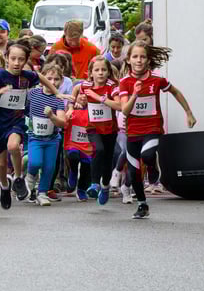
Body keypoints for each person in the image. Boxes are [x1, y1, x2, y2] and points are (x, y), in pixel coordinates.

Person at [0, 40, 65, 209]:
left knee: (13, 146)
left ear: (26, 60)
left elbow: (40, 77)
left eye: (21, 59)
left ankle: (18, 178)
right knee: (1, 163)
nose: (17, 63)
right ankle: (4, 187)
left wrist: (57, 93)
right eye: (13, 59)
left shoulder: (26, 76)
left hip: (16, 120)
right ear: (7, 58)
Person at [120, 41, 196, 219]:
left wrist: (188, 113)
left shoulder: (157, 79)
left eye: (143, 57)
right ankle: (142, 204)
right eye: (135, 56)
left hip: (152, 127)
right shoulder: (125, 82)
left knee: (147, 155)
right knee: (133, 171)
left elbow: (175, 92)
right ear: (129, 60)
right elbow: (124, 110)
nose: (139, 60)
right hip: (133, 132)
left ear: (148, 60)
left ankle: (153, 166)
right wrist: (134, 94)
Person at [69, 56, 120, 205]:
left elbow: (119, 106)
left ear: (108, 72)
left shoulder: (112, 86)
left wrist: (100, 98)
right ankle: (94, 184)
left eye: (103, 70)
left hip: (110, 129)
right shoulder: (85, 86)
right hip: (92, 127)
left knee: (108, 160)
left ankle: (105, 186)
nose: (100, 73)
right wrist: (76, 103)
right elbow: (76, 92)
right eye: (97, 70)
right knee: (99, 150)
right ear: (90, 72)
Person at [25, 63, 67, 206]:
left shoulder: (58, 100)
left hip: (52, 140)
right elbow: (23, 106)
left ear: (61, 81)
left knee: (49, 167)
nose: (52, 82)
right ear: (42, 79)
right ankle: (30, 175)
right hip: (35, 138)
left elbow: (62, 122)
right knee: (35, 162)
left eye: (56, 79)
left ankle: (42, 193)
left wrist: (52, 117)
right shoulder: (33, 93)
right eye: (49, 78)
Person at [64, 88, 93, 201]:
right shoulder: (70, 108)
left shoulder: (93, 108)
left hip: (88, 145)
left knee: (86, 168)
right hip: (73, 143)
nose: (83, 96)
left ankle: (81, 190)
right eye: (81, 93)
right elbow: (63, 120)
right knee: (73, 156)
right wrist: (70, 109)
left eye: (86, 94)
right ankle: (73, 172)